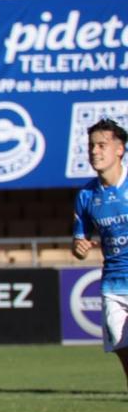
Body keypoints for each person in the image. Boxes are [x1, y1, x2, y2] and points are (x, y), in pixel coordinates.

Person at [72, 118, 128, 389]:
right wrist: (79, 248)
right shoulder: (86, 195)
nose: (95, 151)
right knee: (124, 353)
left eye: (102, 145)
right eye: (92, 145)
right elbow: (80, 243)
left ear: (120, 149)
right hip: (113, 287)